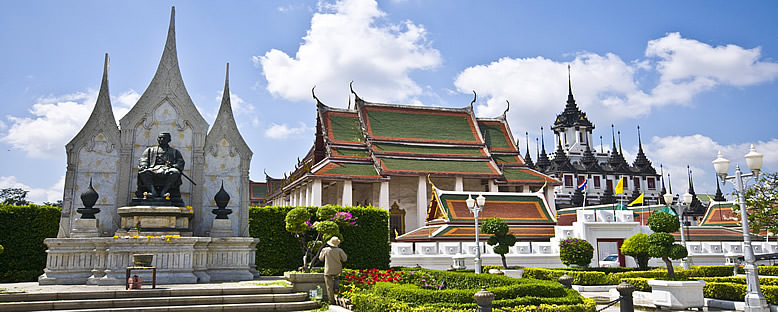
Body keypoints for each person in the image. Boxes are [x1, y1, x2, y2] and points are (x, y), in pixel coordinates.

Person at [137, 132, 185, 199]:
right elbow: (143, 160)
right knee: (143, 172)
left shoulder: (175, 152)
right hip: (153, 168)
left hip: (167, 169)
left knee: (175, 172)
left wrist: (175, 165)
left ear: (169, 140)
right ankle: (153, 191)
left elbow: (180, 162)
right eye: (160, 138)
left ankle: (164, 191)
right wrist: (143, 165)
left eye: (164, 138)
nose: (161, 139)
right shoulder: (150, 150)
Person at [319, 236, 347, 304]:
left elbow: (321, 258)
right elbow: (345, 259)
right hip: (337, 270)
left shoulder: (325, 250)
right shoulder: (340, 250)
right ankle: (336, 289)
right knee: (337, 281)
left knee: (329, 287)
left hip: (328, 270)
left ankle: (332, 301)